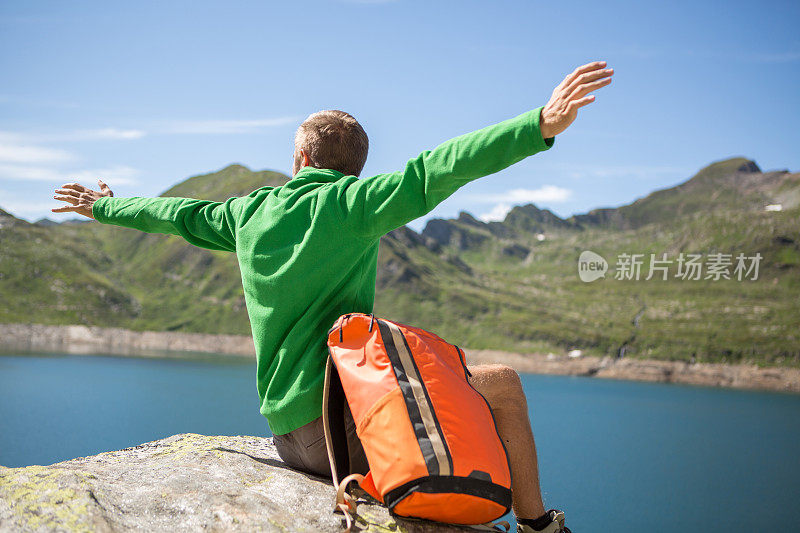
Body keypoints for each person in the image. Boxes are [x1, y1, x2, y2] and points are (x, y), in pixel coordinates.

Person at [52, 60, 613, 533]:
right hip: (343, 438)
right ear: (356, 170)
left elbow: (176, 214)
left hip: (287, 436)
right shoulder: (354, 204)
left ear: (298, 160)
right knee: (501, 385)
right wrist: (537, 125)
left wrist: (104, 205)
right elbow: (438, 168)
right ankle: (539, 525)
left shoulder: (246, 213)